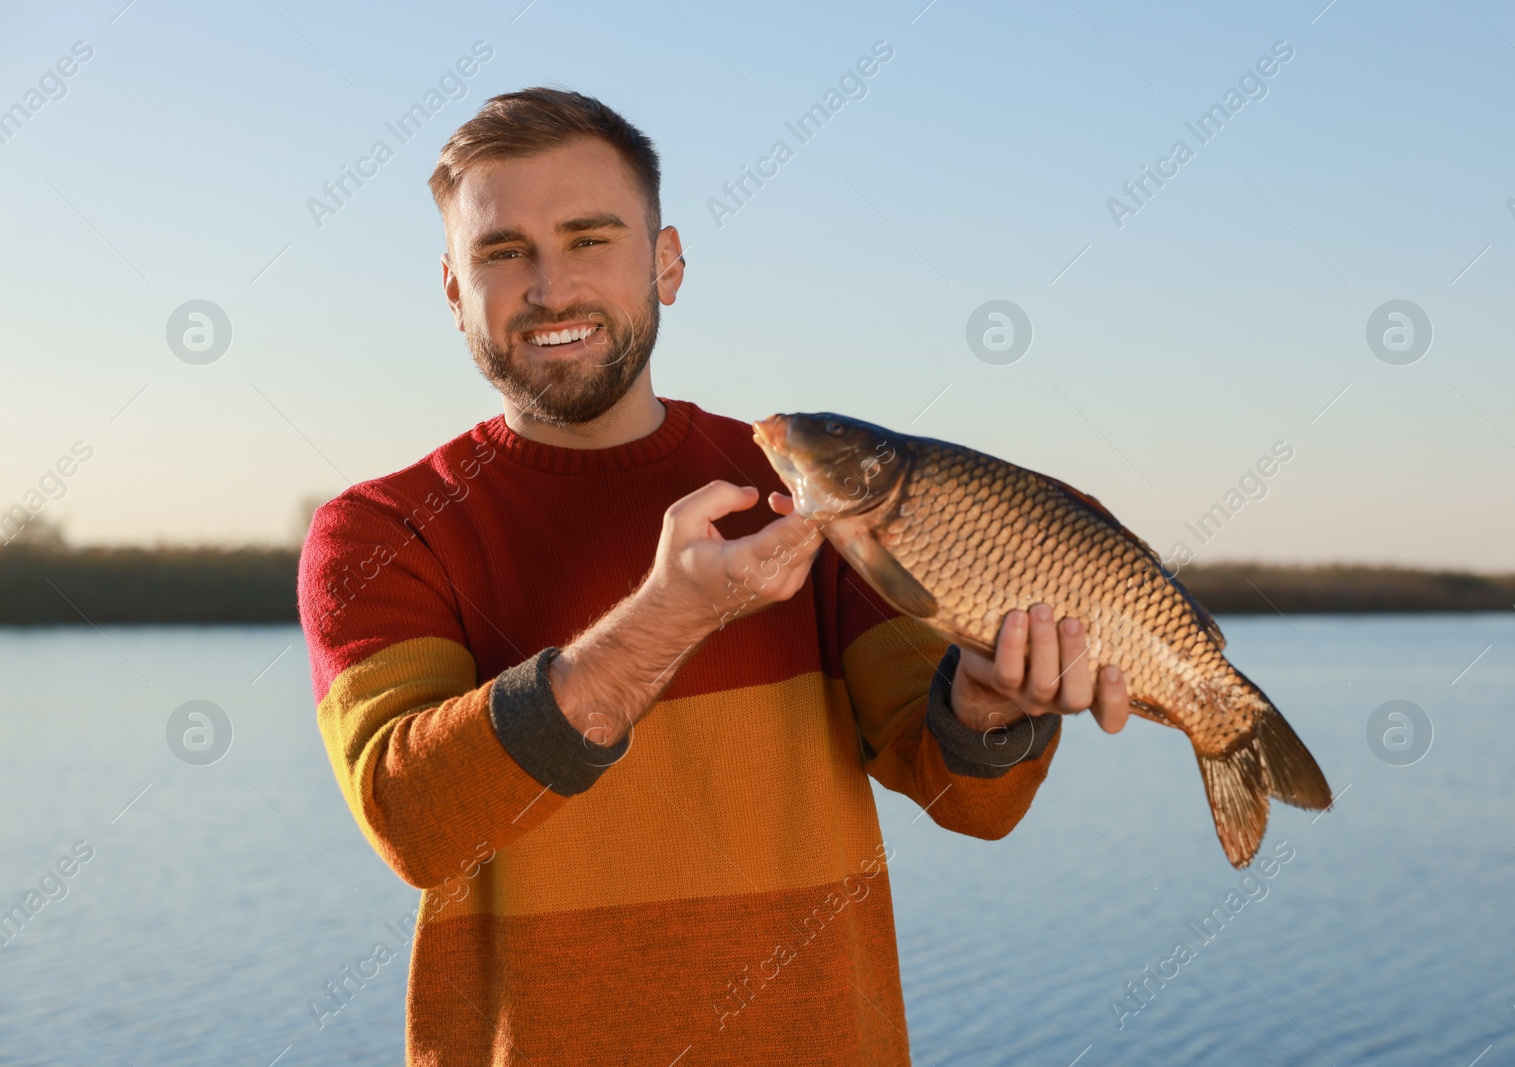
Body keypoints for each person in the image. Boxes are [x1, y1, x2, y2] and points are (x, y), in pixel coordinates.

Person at [298, 87, 1131, 1066]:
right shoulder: (385, 530)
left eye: (589, 238)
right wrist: (669, 617)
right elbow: (417, 823)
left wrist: (988, 704)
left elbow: (969, 800)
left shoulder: (806, 493)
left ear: (667, 263)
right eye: (501, 251)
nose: (550, 286)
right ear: (451, 290)